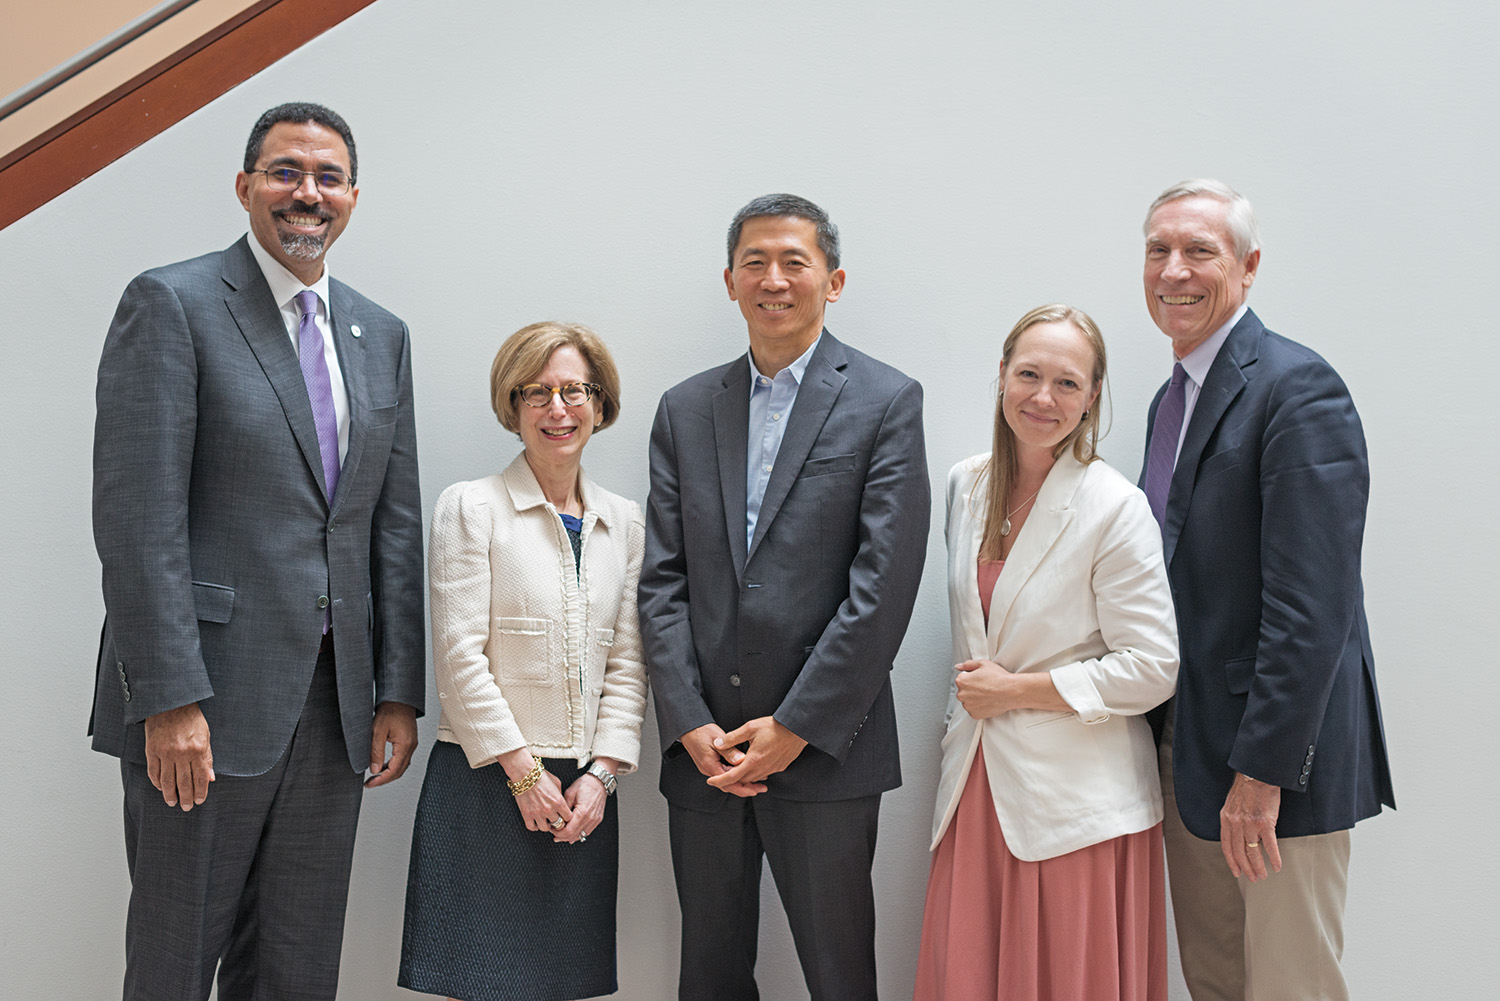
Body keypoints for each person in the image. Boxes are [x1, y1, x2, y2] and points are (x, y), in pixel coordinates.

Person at [90, 102, 425, 1000]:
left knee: (296, 964)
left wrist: (396, 690)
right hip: (204, 704)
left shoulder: (379, 333)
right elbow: (136, 515)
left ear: (352, 196)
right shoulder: (172, 302)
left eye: (326, 177)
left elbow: (390, 522)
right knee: (173, 962)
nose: (305, 193)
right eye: (284, 172)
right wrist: (168, 698)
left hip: (333, 707)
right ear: (245, 187)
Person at [638, 193, 930, 1000]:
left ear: (833, 281)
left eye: (794, 262)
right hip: (706, 754)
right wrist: (690, 721)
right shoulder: (685, 407)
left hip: (828, 747)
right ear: (729, 281)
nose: (774, 279)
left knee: (840, 976)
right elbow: (662, 580)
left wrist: (797, 726)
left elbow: (883, 587)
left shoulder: (886, 400)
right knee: (710, 975)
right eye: (755, 262)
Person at [1139, 179, 1395, 1001]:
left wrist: (1262, 776)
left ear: (1248, 268)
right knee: (1217, 982)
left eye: (1198, 251)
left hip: (1278, 769)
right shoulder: (1167, 403)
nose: (1174, 269)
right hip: (1192, 751)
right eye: (1157, 250)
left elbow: (1311, 607)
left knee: (1289, 987)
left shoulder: (1297, 389)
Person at [913, 304, 1178, 1001]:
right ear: (1001, 376)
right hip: (975, 786)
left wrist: (1018, 691)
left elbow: (1153, 666)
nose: (1043, 397)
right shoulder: (965, 486)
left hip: (1075, 805)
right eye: (1029, 374)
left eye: (1067, 383)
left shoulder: (1115, 507)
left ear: (1093, 397)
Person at [399, 321, 647, 1001]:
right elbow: (458, 655)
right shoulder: (472, 507)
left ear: (600, 402)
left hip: (584, 795)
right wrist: (522, 771)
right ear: (512, 406)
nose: (557, 409)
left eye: (573, 390)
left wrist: (601, 774)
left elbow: (628, 665)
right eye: (536, 392)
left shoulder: (624, 523)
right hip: (486, 780)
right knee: (475, 982)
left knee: (561, 986)